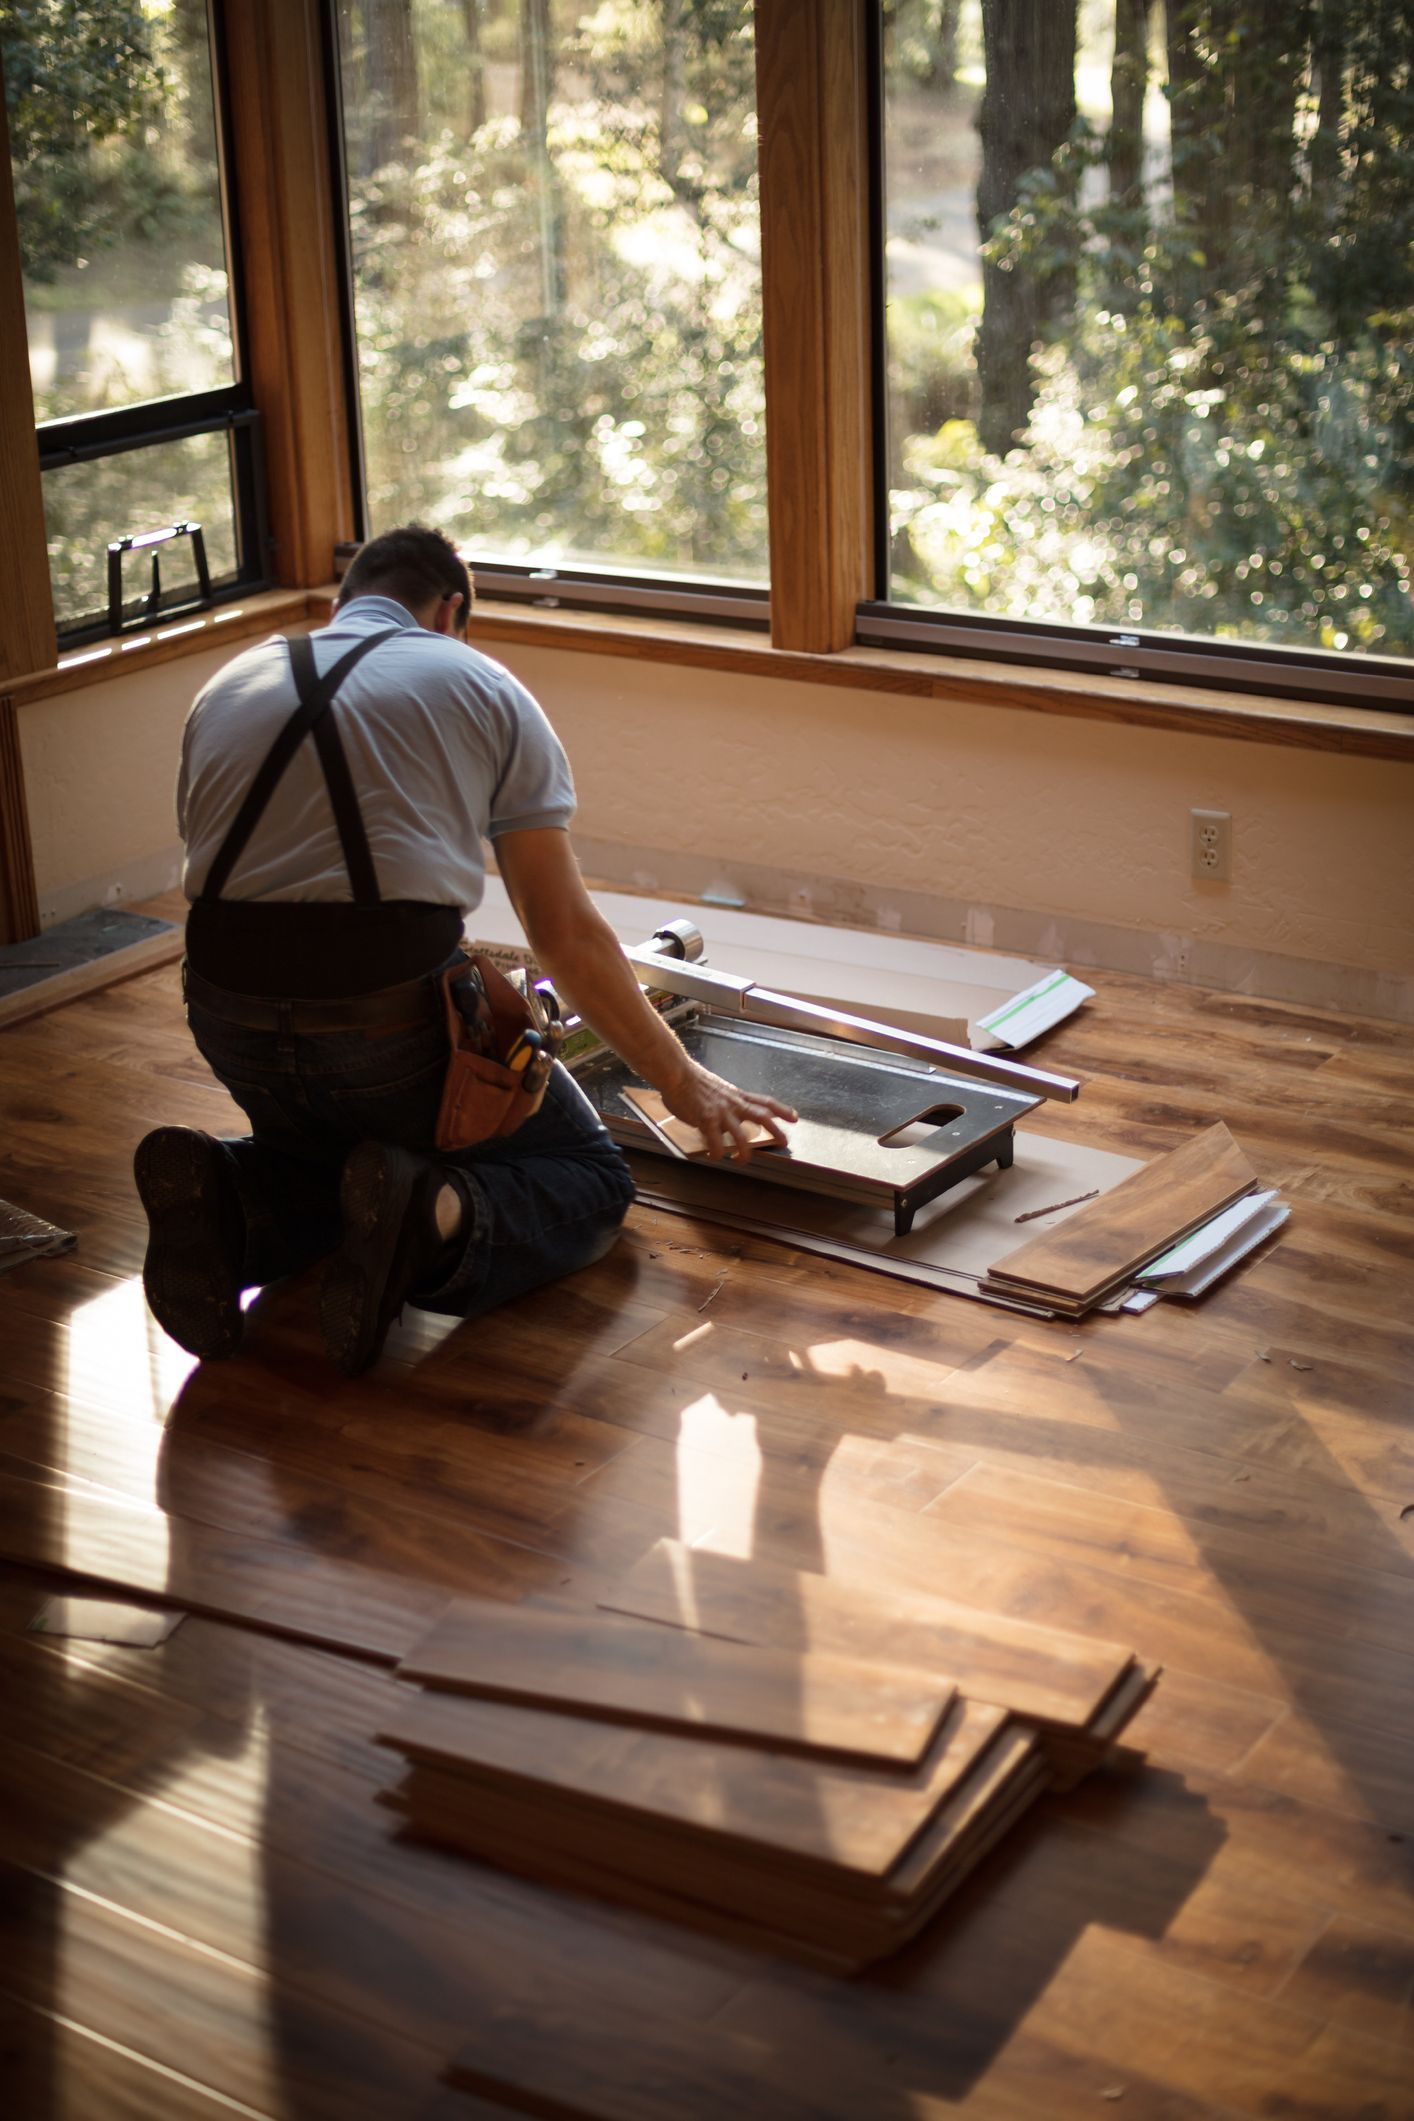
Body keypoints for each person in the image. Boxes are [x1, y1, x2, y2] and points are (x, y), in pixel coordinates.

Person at [134, 524, 794, 1374]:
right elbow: (564, 932)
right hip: (386, 1032)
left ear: (343, 603)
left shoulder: (229, 682)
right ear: (449, 610)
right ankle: (433, 1213)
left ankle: (230, 1196)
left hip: (226, 1013)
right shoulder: (480, 681)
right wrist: (682, 1080)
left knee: (332, 1157)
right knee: (587, 1177)